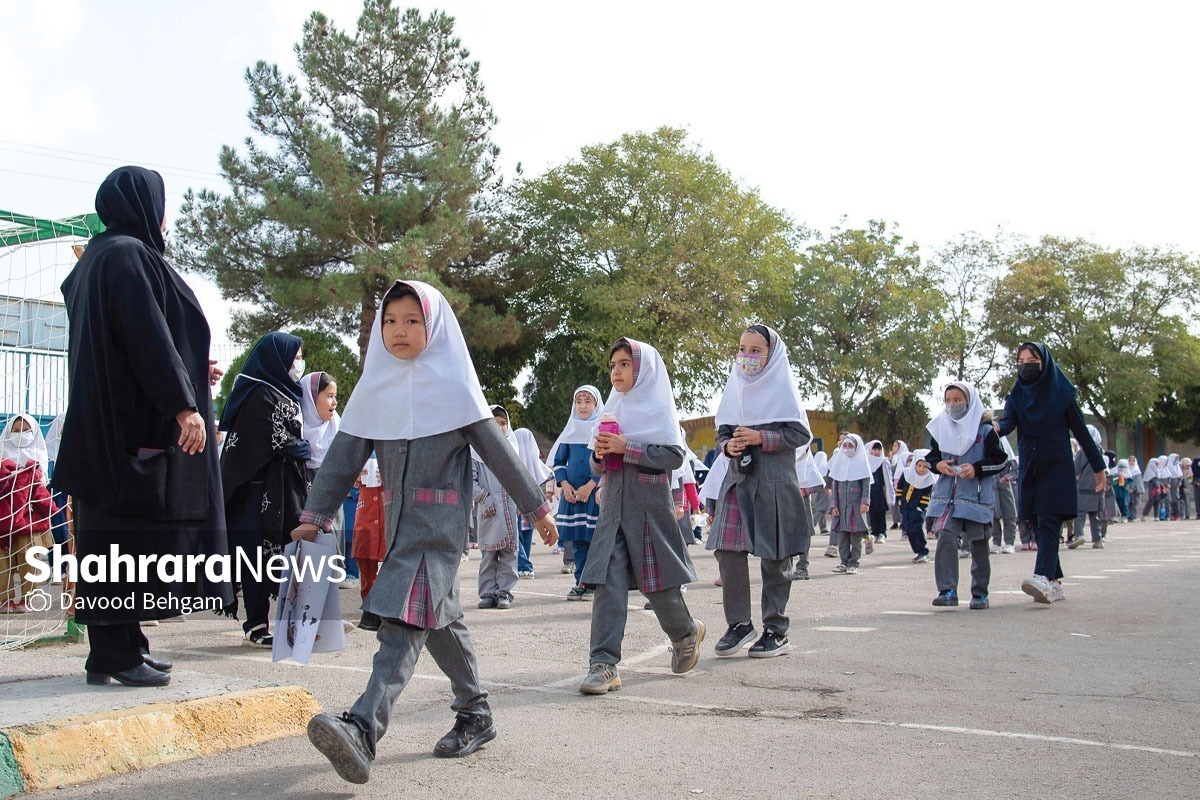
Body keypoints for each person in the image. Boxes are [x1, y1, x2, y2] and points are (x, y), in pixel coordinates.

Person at [294, 280, 557, 784]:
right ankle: (475, 713)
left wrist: (537, 509)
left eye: (412, 320)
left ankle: (362, 728)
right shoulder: (375, 391)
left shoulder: (456, 390)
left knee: (405, 623)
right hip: (397, 526)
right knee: (440, 621)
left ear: (433, 327)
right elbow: (344, 458)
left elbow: (500, 455)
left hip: (438, 529)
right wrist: (315, 514)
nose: (399, 330)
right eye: (390, 321)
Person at [53, 165, 232, 686]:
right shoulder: (126, 255)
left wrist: (196, 371)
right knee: (119, 548)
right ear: (140, 204)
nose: (165, 218)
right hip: (125, 437)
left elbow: (128, 344)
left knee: (118, 546)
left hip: (105, 432)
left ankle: (124, 646)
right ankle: (114, 655)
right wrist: (183, 404)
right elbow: (146, 337)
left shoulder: (95, 260)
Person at [577, 337, 704, 694]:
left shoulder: (659, 407)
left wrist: (627, 448)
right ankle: (603, 664)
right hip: (614, 507)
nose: (616, 372)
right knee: (608, 582)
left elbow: (674, 457)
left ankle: (685, 633)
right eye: (613, 365)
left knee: (659, 584)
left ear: (642, 369)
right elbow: (596, 464)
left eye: (624, 364)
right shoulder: (613, 407)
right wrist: (600, 456)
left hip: (649, 508)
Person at [707, 325, 812, 658]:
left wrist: (760, 438)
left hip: (775, 484)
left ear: (771, 355)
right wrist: (729, 445)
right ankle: (739, 623)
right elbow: (722, 431)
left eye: (755, 350)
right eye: (742, 349)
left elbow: (798, 434)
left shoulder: (784, 390)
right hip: (739, 480)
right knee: (727, 549)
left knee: (776, 556)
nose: (747, 357)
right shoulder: (734, 388)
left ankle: (775, 630)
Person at [994, 342, 1106, 605]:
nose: (1025, 365)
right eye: (1020, 361)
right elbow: (1008, 422)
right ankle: (1055, 584)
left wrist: (1099, 468)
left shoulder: (1061, 395)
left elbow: (1082, 434)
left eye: (1031, 360)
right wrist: (994, 427)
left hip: (1057, 467)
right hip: (1030, 467)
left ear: (1045, 363)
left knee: (1048, 518)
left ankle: (1042, 575)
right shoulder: (1017, 396)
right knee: (1038, 521)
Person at [219, 332, 310, 647]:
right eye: (295, 357)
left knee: (290, 556)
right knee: (256, 560)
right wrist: (302, 447)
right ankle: (256, 625)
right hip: (257, 497)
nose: (298, 363)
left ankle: (299, 622)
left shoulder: (283, 394)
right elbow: (274, 440)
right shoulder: (262, 395)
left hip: (285, 493)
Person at [925, 383, 1008, 610]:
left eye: (958, 400)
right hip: (947, 499)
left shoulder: (986, 431)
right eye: (948, 400)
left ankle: (980, 593)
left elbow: (1001, 460)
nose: (952, 405)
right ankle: (947, 590)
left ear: (970, 402)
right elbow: (931, 458)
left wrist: (977, 469)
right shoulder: (941, 427)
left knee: (979, 545)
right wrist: (938, 465)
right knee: (946, 538)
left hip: (976, 499)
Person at [546, 385, 603, 597]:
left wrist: (590, 485)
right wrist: (565, 485)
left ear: (596, 405)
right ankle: (581, 582)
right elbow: (559, 462)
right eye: (579, 402)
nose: (582, 406)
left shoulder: (601, 430)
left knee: (594, 540)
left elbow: (605, 461)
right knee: (578, 542)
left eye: (588, 402)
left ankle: (595, 585)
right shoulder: (568, 431)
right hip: (572, 498)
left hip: (593, 498)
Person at [0, 415, 57, 611]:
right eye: (15, 431)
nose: (20, 435)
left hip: (28, 519)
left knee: (29, 554)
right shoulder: (2, 457)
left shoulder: (39, 460)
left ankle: (28, 597)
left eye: (25, 431)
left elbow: (42, 491)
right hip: (3, 518)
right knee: (2, 560)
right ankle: (5, 599)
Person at [473, 405, 524, 610]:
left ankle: (504, 592)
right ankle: (487, 593)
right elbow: (470, 481)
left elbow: (522, 480)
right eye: (494, 423)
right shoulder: (476, 453)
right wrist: (485, 499)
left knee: (509, 553)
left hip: (510, 509)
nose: (499, 427)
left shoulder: (513, 451)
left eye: (503, 423)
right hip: (489, 510)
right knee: (488, 555)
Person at [300, 371, 343, 549]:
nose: (334, 402)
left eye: (335, 397)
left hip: (333, 502)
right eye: (329, 396)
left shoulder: (338, 428)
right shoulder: (295, 436)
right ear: (311, 398)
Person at [513, 426, 554, 579]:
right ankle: (524, 564)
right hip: (530, 507)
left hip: (519, 505)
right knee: (524, 534)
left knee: (519, 535)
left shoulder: (512, 461)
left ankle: (523, 565)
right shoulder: (534, 462)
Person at [829, 434, 872, 574]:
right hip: (841, 508)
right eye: (845, 445)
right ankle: (844, 562)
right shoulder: (839, 464)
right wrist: (834, 505)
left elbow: (866, 485)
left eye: (850, 446)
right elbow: (835, 486)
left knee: (855, 538)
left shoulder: (862, 465)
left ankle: (854, 563)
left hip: (856, 507)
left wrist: (865, 502)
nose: (847, 449)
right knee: (842, 538)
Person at [351, 455, 385, 631]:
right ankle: (370, 607)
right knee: (365, 555)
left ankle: (386, 606)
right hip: (366, 501)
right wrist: (353, 473)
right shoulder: (362, 432)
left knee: (393, 556)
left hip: (389, 499)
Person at [896, 447, 934, 563]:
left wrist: (920, 508)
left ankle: (923, 551)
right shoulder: (907, 473)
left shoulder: (928, 479)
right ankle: (917, 551)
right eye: (919, 466)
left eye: (925, 466)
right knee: (908, 529)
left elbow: (926, 497)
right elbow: (900, 488)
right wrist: (899, 501)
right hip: (906, 507)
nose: (922, 469)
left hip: (917, 510)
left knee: (916, 528)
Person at [865, 440, 893, 543]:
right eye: (874, 449)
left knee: (881, 513)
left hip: (880, 492)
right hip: (870, 492)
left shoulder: (884, 462)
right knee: (872, 513)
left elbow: (888, 479)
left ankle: (882, 533)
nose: (877, 452)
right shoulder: (867, 462)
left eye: (879, 449)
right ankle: (874, 532)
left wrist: (889, 494)